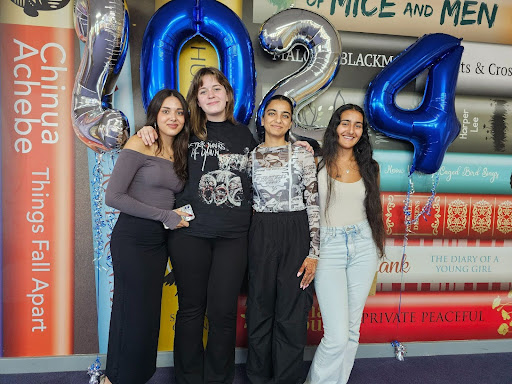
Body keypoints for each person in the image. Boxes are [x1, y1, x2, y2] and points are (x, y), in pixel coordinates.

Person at [138, 67, 257, 383]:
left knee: (223, 313)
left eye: (217, 88)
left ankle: (218, 379)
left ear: (228, 94)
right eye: (203, 91)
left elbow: (270, 160)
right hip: (189, 233)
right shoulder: (185, 131)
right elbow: (155, 137)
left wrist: (307, 146)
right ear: (197, 100)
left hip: (234, 236)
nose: (211, 94)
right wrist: (144, 131)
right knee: (191, 310)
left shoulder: (244, 134)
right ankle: (189, 378)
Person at [102, 89, 191, 384]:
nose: (173, 117)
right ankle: (116, 378)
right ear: (155, 114)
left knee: (146, 315)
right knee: (132, 313)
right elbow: (113, 197)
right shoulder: (140, 141)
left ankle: (128, 377)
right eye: (166, 111)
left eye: (179, 112)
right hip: (133, 238)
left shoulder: (179, 150)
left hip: (158, 242)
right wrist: (166, 216)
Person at [305, 104, 385, 384]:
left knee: (352, 331)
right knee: (336, 335)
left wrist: (376, 249)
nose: (350, 130)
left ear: (363, 132)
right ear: (334, 126)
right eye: (345, 123)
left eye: (358, 125)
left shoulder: (370, 167)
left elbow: (374, 211)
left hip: (363, 245)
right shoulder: (316, 161)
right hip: (329, 247)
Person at [245, 95, 320, 384]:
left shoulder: (302, 154)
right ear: (262, 119)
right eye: (272, 114)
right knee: (260, 309)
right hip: (261, 231)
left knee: (291, 311)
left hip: (295, 228)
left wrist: (314, 251)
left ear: (291, 121)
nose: (278, 120)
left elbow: (313, 201)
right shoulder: (249, 157)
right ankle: (257, 377)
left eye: (285, 115)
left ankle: (286, 379)